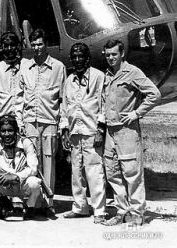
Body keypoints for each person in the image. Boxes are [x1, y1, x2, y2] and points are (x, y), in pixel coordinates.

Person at [101, 39, 161, 226]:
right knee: (113, 173)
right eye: (108, 54)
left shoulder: (132, 72)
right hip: (110, 132)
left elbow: (154, 94)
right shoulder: (107, 75)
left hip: (127, 131)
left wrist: (136, 113)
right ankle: (121, 211)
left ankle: (136, 213)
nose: (111, 58)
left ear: (122, 54)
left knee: (132, 173)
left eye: (114, 54)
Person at [20, 29, 66, 216]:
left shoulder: (58, 67)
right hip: (30, 121)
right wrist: (20, 121)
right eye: (34, 45)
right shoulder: (25, 67)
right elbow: (19, 96)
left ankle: (49, 203)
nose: (37, 48)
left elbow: (63, 99)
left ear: (46, 44)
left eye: (40, 44)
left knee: (48, 162)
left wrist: (62, 125)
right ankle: (33, 203)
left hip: (49, 121)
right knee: (31, 163)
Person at [59, 43, 106, 224]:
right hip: (74, 132)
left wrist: (100, 130)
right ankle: (80, 207)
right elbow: (64, 108)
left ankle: (99, 210)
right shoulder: (69, 80)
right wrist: (64, 130)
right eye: (74, 57)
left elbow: (102, 104)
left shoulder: (98, 77)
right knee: (76, 171)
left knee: (94, 170)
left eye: (81, 56)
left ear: (88, 58)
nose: (77, 60)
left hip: (91, 132)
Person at [0, 115, 43, 220]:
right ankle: (3, 202)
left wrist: (15, 177)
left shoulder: (26, 143)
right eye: (3, 131)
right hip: (3, 184)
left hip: (21, 184)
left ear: (16, 130)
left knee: (34, 183)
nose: (7, 134)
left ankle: (29, 208)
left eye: (10, 131)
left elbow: (33, 168)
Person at [0, 31, 26, 135]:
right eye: (6, 46)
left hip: (25, 125)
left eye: (12, 45)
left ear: (18, 46)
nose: (9, 49)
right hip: (4, 128)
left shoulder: (27, 67)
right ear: (1, 47)